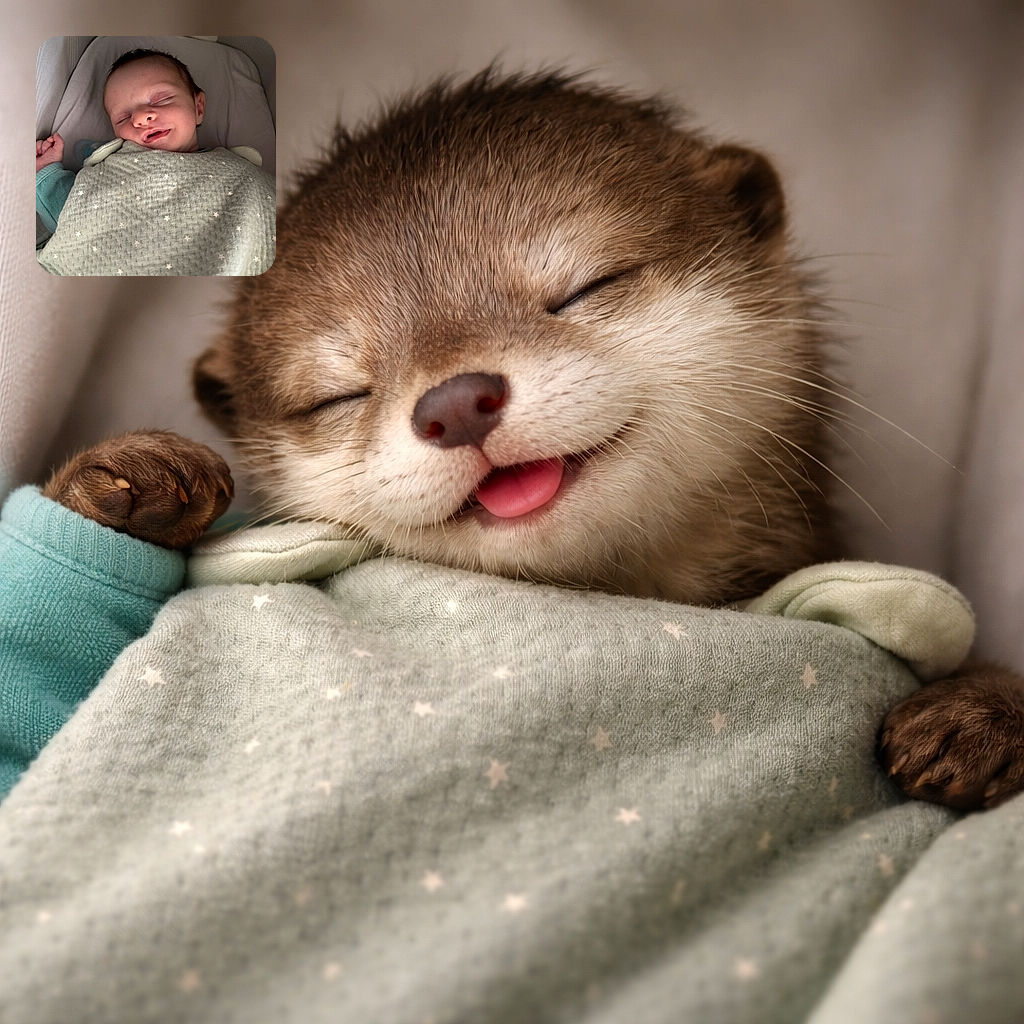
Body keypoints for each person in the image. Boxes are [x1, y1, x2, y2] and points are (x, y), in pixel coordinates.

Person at [35, 49, 206, 234]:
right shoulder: (114, 169)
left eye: (161, 100)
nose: (140, 118)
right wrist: (46, 171)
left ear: (198, 108)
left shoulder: (227, 167)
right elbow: (73, 214)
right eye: (123, 118)